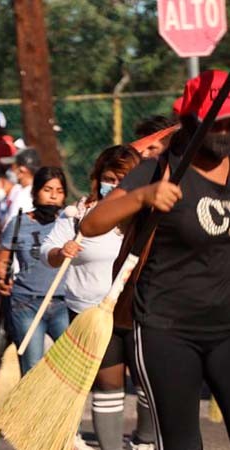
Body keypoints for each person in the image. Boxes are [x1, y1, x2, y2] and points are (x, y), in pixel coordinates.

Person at [81, 69, 230, 450]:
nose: (225, 132)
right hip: (166, 329)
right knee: (181, 441)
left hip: (226, 325)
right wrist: (143, 197)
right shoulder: (161, 169)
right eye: (217, 123)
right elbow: (92, 224)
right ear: (191, 121)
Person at [40, 146, 155, 450]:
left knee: (148, 382)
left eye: (123, 180)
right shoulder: (78, 214)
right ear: (96, 179)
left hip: (139, 311)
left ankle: (144, 441)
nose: (114, 186)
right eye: (108, 178)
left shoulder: (149, 216)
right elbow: (46, 252)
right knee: (107, 385)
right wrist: (59, 252)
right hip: (90, 313)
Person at [0, 166, 68, 374]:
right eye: (47, 189)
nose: (53, 196)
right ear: (35, 193)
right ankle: (32, 407)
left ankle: (59, 407)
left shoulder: (71, 223)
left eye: (59, 191)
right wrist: (2, 279)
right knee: (32, 367)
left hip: (63, 302)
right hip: (26, 303)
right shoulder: (18, 224)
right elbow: (0, 262)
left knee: (69, 365)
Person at [0, 147, 40, 226]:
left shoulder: (24, 196)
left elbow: (11, 230)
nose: (10, 171)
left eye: (12, 166)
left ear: (22, 170)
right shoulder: (39, 190)